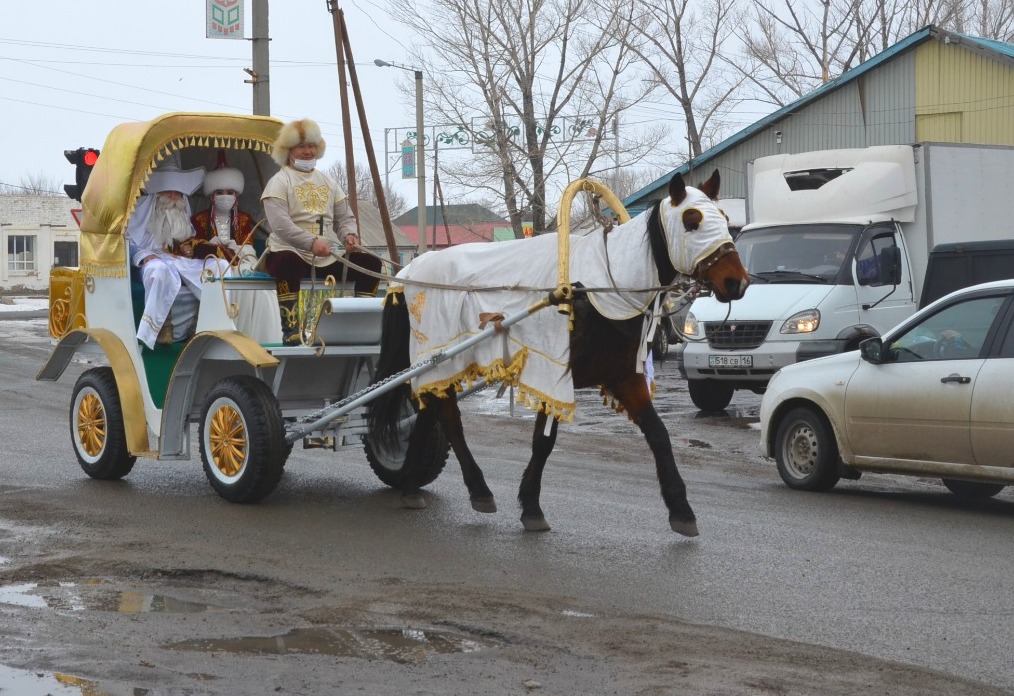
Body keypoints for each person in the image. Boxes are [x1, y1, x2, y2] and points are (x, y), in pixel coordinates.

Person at [260, 117, 383, 344]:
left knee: (370, 265)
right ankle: (291, 330)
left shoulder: (329, 181)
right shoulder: (278, 181)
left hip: (326, 253)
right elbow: (280, 225)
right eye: (302, 146)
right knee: (287, 262)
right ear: (288, 150)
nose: (308, 152)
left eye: (312, 146)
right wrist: (310, 242)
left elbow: (344, 216)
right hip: (289, 250)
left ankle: (358, 328)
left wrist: (349, 235)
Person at [126, 154, 231, 350]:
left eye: (178, 193)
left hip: (181, 261)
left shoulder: (183, 209)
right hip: (152, 260)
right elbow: (128, 243)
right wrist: (143, 256)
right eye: (169, 192)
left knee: (220, 266)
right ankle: (158, 329)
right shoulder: (141, 210)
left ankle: (210, 324)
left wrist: (190, 249)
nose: (174, 198)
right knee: (158, 270)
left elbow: (187, 238)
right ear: (158, 193)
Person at [184, 152, 282, 343]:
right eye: (220, 192)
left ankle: (255, 335)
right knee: (226, 276)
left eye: (230, 192)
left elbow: (250, 250)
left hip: (241, 261)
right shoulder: (199, 219)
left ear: (236, 195)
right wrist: (207, 245)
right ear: (212, 195)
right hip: (212, 265)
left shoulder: (244, 219)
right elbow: (191, 246)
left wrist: (237, 247)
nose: (225, 197)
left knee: (258, 286)